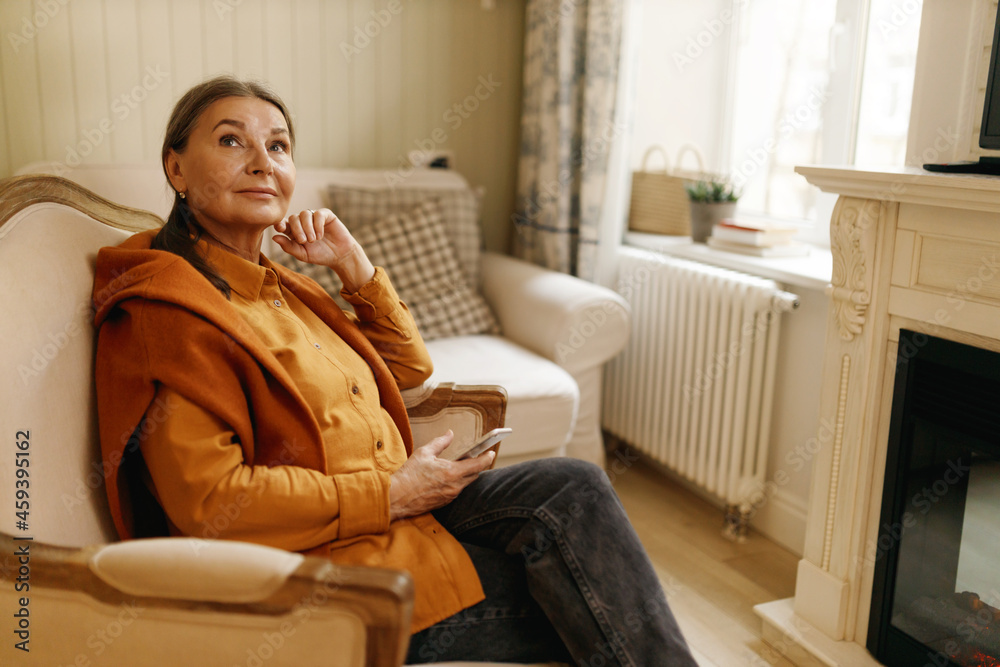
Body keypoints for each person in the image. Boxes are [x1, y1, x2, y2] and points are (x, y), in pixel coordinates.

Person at [92, 75, 696, 666]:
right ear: (176, 169)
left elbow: (409, 368)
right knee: (599, 596)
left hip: (401, 510)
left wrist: (353, 265)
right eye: (231, 141)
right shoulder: (170, 311)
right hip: (331, 564)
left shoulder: (282, 286)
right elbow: (212, 504)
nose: (262, 162)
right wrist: (391, 493)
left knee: (575, 487)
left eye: (278, 145)